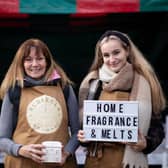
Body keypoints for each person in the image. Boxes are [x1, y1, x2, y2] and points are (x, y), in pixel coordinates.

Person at [77, 30, 166, 168]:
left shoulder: (145, 83)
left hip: (127, 162)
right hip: (95, 162)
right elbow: (85, 126)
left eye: (116, 52)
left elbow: (157, 128)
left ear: (127, 51)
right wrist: (83, 138)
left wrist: (146, 143)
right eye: (106, 55)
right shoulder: (92, 83)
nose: (111, 59)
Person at [0, 38, 80, 168]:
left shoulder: (64, 87)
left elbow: (78, 133)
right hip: (22, 163)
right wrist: (19, 149)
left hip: (61, 164)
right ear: (21, 63)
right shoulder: (14, 91)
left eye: (39, 58)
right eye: (28, 60)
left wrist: (67, 152)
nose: (35, 64)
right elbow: (2, 139)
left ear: (47, 61)